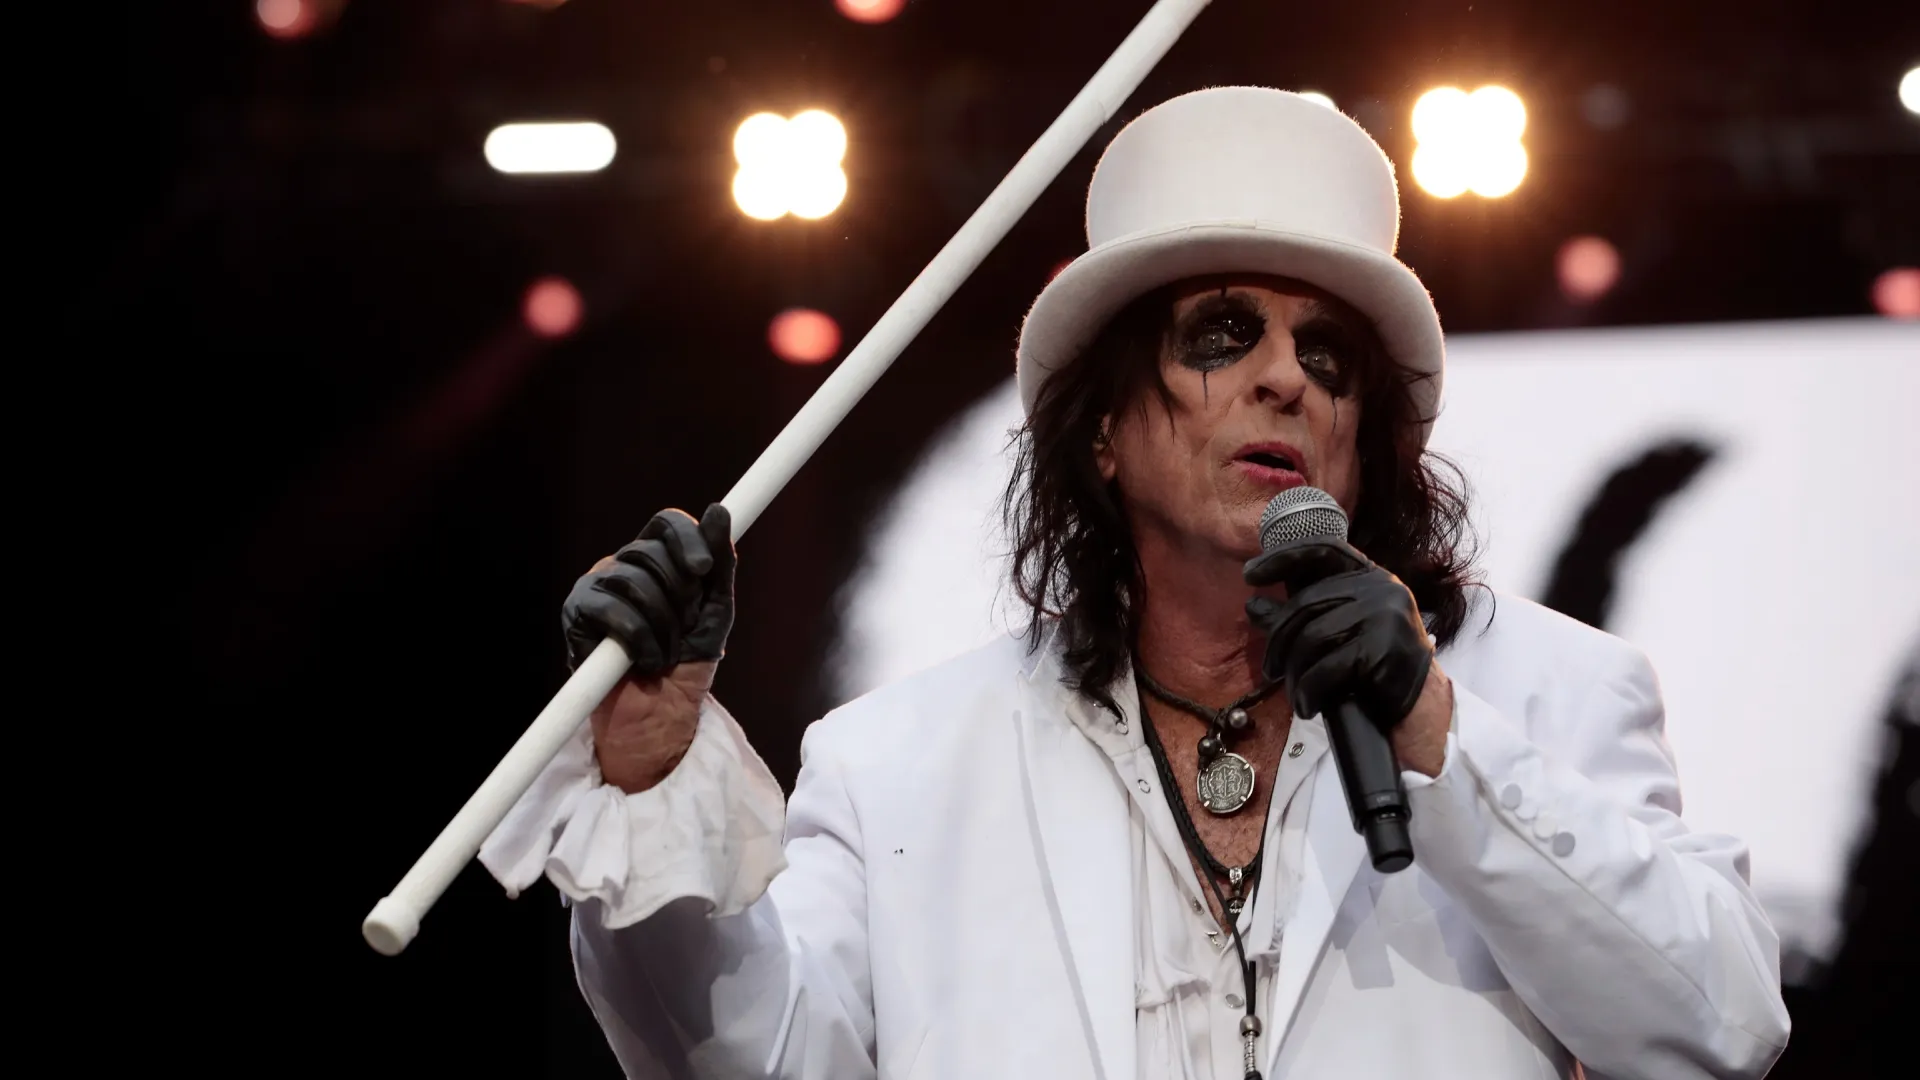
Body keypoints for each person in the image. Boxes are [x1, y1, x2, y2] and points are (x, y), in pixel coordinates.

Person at [480, 88, 1789, 1079]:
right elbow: (742, 1057)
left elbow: (1718, 1024)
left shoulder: (1548, 692)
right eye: (1226, 334)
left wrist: (1440, 739)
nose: (1285, 376)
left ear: (1366, 432)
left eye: (1329, 355)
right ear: (1102, 429)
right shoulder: (903, 761)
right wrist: (650, 776)